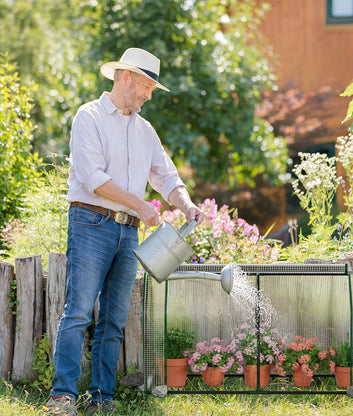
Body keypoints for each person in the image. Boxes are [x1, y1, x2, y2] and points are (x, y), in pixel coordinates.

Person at [45, 48, 204, 416]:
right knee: (79, 312)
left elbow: (167, 178)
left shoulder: (145, 130)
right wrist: (138, 203)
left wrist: (187, 204)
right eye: (147, 86)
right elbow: (92, 177)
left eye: (152, 88)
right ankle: (62, 395)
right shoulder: (90, 117)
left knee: (114, 319)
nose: (149, 95)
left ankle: (102, 397)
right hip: (91, 224)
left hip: (128, 234)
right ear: (124, 77)